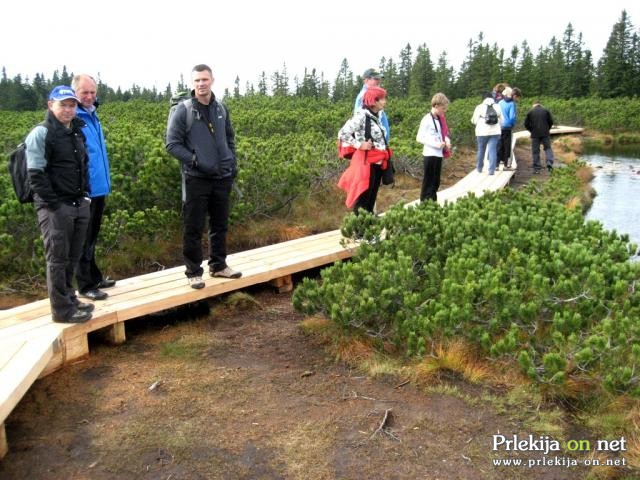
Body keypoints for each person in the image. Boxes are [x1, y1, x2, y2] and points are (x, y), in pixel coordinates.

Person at [166, 64, 241, 289]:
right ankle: (193, 272)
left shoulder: (221, 109)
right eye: (197, 80)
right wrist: (195, 160)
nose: (201, 84)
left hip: (222, 176)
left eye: (204, 80)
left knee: (220, 224)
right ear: (192, 83)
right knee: (194, 226)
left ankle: (218, 265)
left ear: (212, 80)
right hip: (196, 178)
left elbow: (229, 138)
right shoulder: (184, 110)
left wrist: (231, 160)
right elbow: (172, 144)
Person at [26, 86, 93, 323]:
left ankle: (70, 299)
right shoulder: (41, 133)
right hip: (56, 207)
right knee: (57, 259)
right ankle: (62, 311)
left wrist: (86, 196)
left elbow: (82, 166)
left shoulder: (76, 131)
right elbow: (35, 174)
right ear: (50, 105)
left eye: (71, 105)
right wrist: (54, 205)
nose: (67, 109)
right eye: (62, 104)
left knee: (72, 256)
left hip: (78, 203)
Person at [72, 74, 115, 301]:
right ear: (75, 93)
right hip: (85, 190)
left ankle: (94, 276)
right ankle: (85, 285)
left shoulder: (92, 116)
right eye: (84, 92)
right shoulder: (74, 118)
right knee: (82, 238)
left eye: (92, 92)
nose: (89, 97)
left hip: (99, 187)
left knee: (92, 236)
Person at [337, 86, 391, 214]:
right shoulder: (361, 116)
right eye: (382, 99)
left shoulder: (376, 116)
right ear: (374, 101)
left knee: (371, 199)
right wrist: (360, 145)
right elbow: (342, 133)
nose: (385, 102)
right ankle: (359, 231)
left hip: (377, 162)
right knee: (364, 199)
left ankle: (368, 229)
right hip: (367, 163)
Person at [416, 93, 451, 202]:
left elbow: (443, 134)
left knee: (436, 182)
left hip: (438, 154)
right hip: (430, 154)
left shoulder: (440, 119)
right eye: (443, 108)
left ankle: (432, 203)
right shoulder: (426, 119)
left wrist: (447, 141)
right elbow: (419, 137)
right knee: (428, 182)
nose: (444, 111)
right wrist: (435, 144)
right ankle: (424, 204)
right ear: (436, 106)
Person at [471, 92, 503, 175]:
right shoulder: (498, 106)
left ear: (483, 98)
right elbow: (502, 120)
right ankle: (491, 171)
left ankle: (479, 168)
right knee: (492, 150)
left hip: (482, 132)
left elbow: (474, 121)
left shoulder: (479, 107)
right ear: (492, 98)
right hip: (495, 132)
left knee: (481, 150)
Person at [354, 68, 390, 142]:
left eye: (379, 78)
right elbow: (361, 121)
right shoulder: (365, 96)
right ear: (366, 80)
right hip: (372, 146)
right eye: (376, 79)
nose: (379, 81)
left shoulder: (373, 94)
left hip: (379, 144)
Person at [524, 101, 555, 174]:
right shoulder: (546, 111)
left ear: (534, 105)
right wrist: (548, 129)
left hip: (535, 134)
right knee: (548, 148)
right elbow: (551, 122)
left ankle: (537, 168)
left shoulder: (530, 112)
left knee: (535, 151)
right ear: (540, 105)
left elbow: (526, 124)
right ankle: (549, 162)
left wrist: (531, 130)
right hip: (545, 133)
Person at [497, 86, 522, 170]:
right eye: (517, 97)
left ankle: (496, 165)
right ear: (514, 95)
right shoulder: (512, 104)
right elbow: (512, 117)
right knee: (507, 146)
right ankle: (507, 165)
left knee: (500, 145)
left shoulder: (500, 102)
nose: (517, 99)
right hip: (507, 127)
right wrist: (513, 124)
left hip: (499, 126)